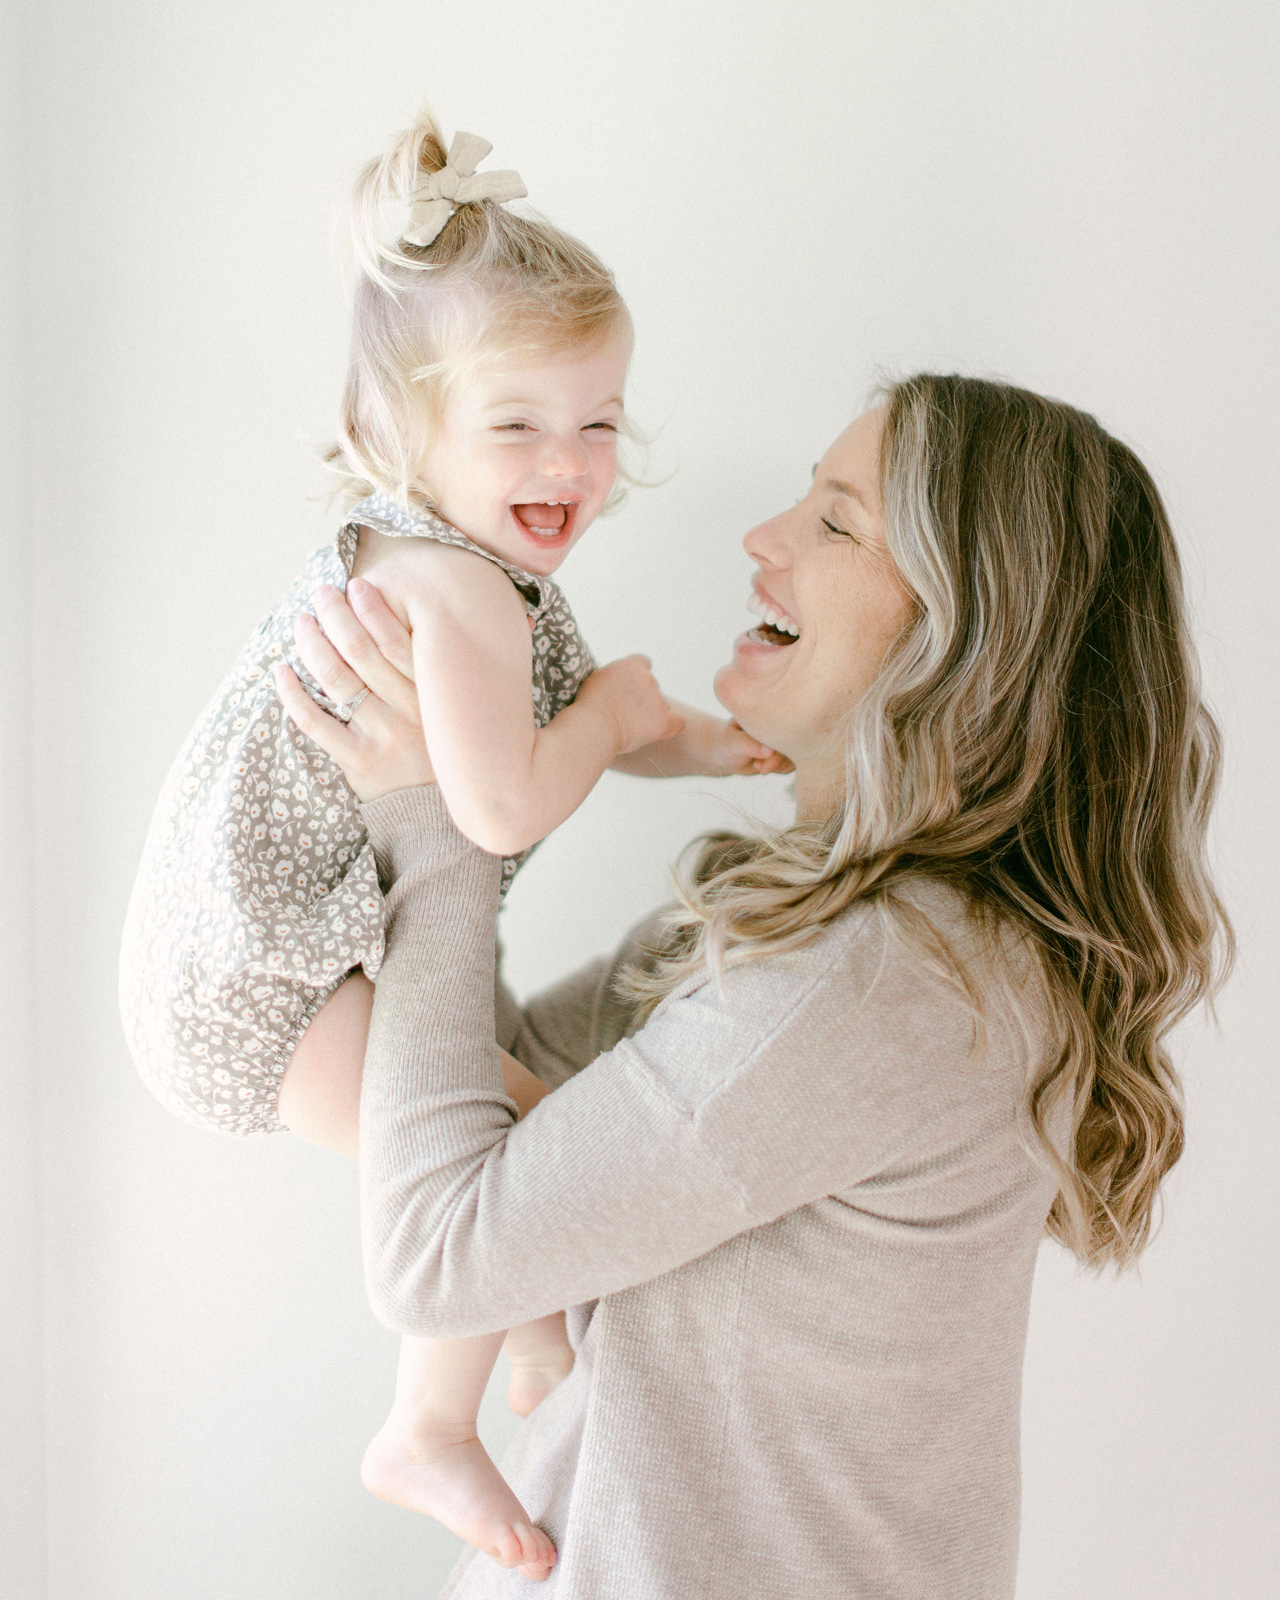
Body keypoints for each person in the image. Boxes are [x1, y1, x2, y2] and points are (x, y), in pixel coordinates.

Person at [278, 373, 1231, 1597]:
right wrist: (474, 762)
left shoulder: (873, 982)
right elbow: (471, 1081)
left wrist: (437, 818)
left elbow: (438, 1252)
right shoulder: (827, 929)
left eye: (835, 522)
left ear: (965, 634)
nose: (763, 538)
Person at [118, 102, 785, 1581]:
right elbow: (497, 807)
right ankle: (437, 1418)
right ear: (403, 433)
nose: (572, 462)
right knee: (501, 1152)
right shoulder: (461, 587)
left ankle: (523, 1355)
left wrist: (693, 741)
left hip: (249, 964)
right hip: (259, 990)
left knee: (518, 1140)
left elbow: (560, 726)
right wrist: (613, 719)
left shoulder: (457, 560)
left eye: (600, 422)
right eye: (519, 425)